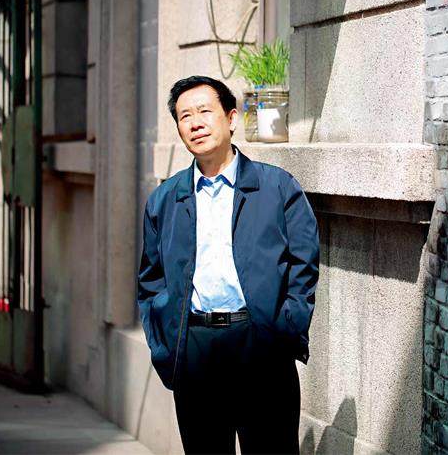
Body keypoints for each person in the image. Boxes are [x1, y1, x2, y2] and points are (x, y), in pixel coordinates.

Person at [137, 75, 320, 454]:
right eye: (185, 116)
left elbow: (304, 265)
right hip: (195, 348)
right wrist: (165, 347)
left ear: (232, 118)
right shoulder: (165, 199)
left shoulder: (276, 188)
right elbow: (151, 281)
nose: (196, 123)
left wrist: (285, 327)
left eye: (205, 111)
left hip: (261, 345)